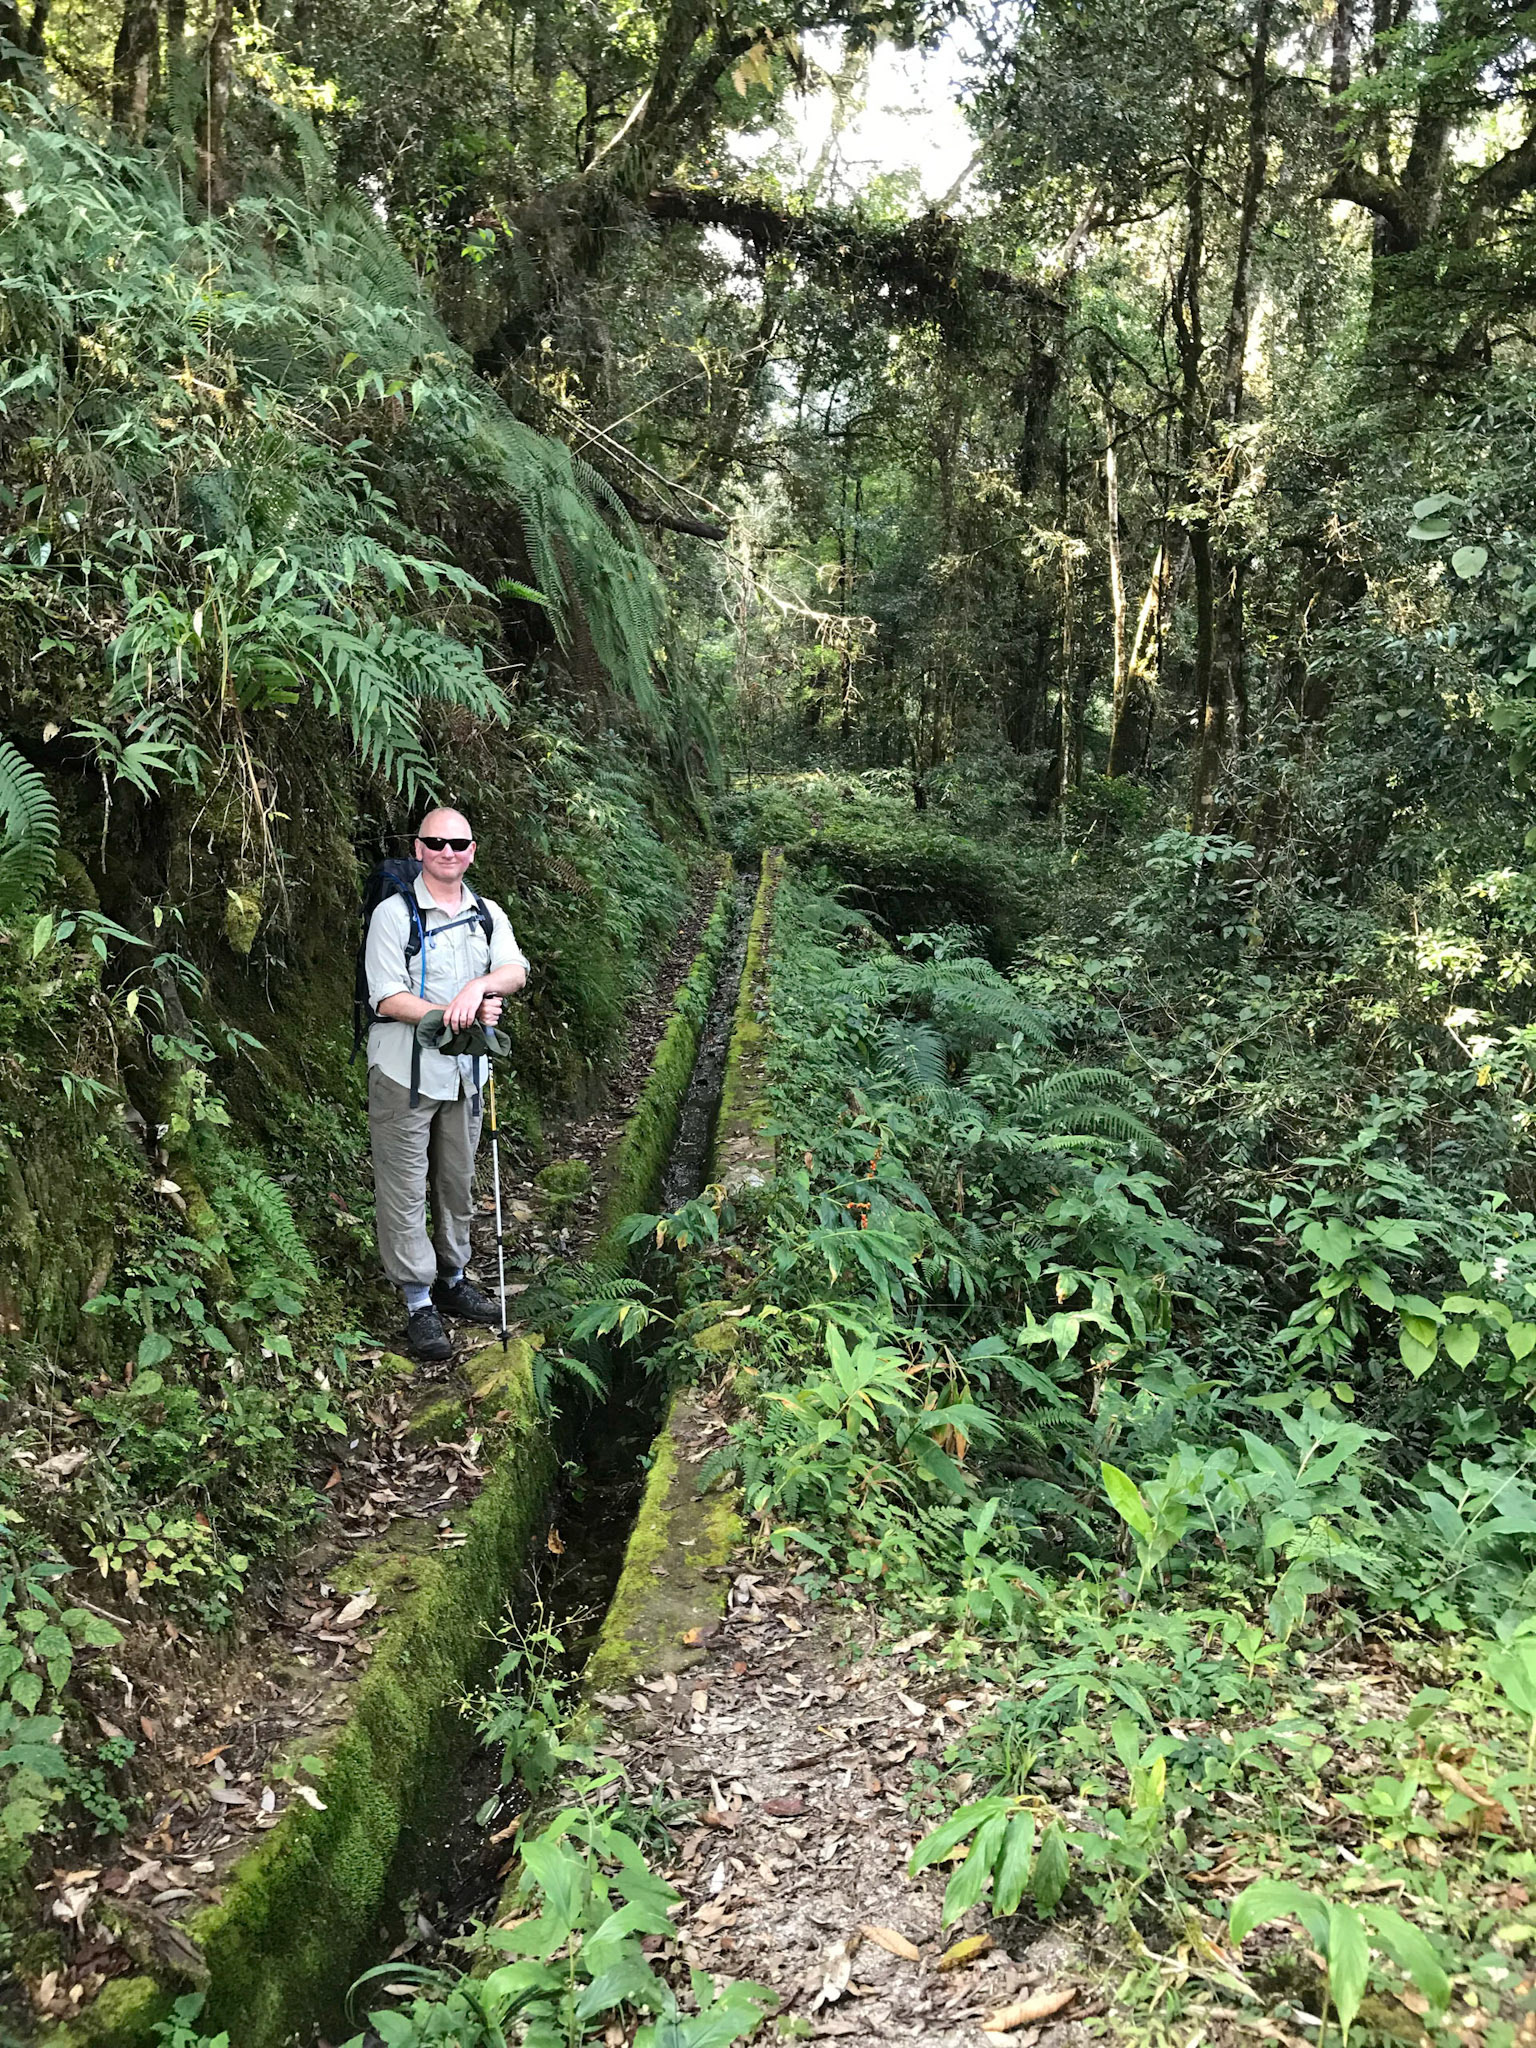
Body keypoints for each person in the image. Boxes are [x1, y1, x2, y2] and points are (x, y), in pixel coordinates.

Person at [364, 806, 529, 1360]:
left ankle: (453, 1280)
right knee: (405, 1186)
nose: (447, 852)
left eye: (458, 843)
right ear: (418, 849)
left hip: (465, 1073)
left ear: (472, 850)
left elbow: (515, 971)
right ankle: (418, 1302)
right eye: (436, 843)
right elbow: (386, 995)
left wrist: (479, 987)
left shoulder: (486, 913)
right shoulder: (393, 915)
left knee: (458, 1180)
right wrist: (455, 1013)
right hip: (402, 1072)